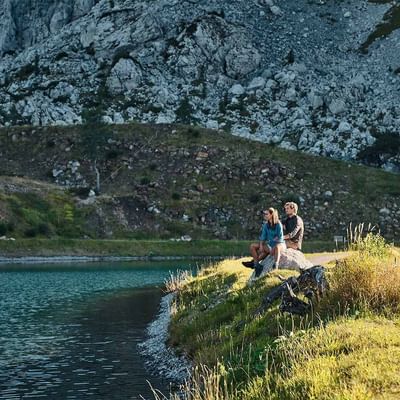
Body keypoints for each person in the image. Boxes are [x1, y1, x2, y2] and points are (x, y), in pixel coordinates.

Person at [242, 207, 286, 277]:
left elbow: (280, 238)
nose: (265, 215)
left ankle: (275, 266)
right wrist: (261, 245)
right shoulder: (266, 225)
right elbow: (263, 237)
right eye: (264, 214)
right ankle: (256, 265)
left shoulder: (278, 224)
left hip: (280, 245)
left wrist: (274, 248)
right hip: (270, 246)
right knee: (253, 246)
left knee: (277, 247)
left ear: (271, 215)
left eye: (266, 214)